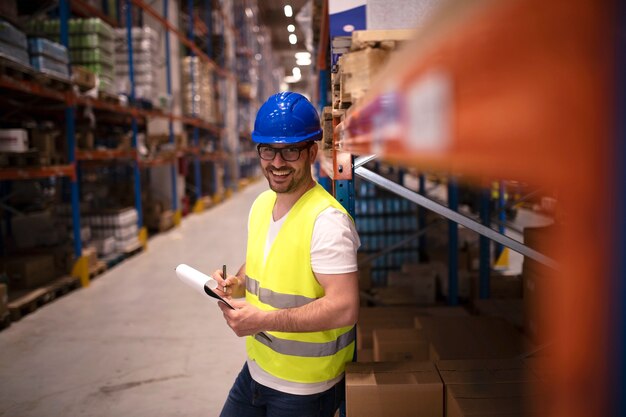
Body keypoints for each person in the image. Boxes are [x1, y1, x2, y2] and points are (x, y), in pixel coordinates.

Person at [211, 91, 361, 417]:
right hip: (256, 371)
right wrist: (235, 283)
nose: (277, 163)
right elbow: (260, 264)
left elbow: (344, 307)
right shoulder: (262, 204)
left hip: (304, 389)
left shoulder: (328, 221)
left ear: (311, 152)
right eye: (268, 151)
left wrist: (262, 320)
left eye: (290, 151)